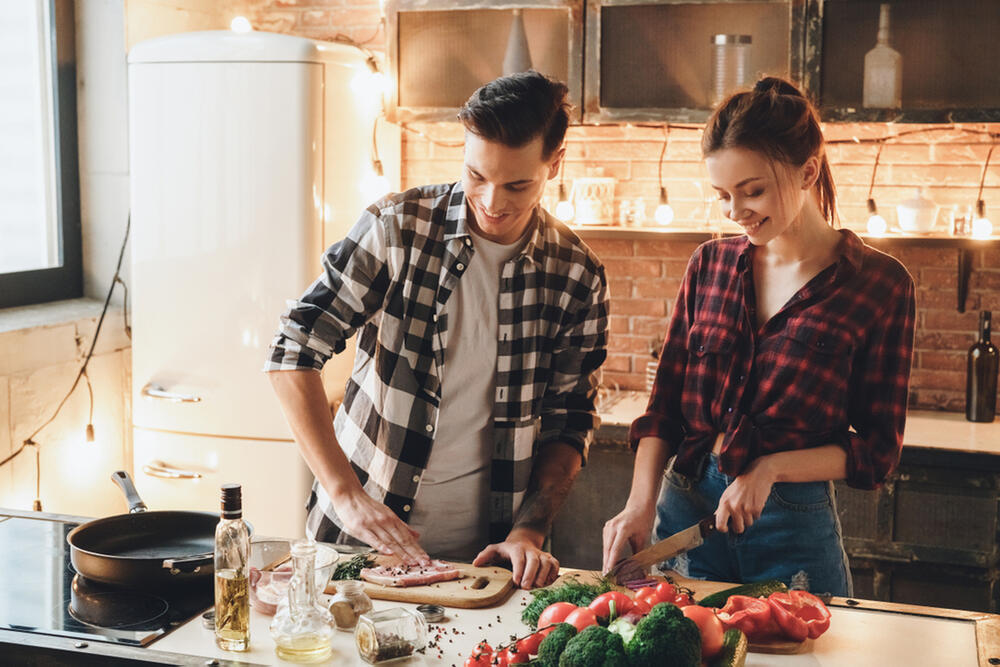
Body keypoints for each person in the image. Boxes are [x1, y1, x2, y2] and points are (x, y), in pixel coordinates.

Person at [265, 71, 609, 590]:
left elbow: (570, 420)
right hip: (359, 542)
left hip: (490, 560)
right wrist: (344, 493)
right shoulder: (398, 229)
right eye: (476, 175)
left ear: (553, 164)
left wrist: (531, 530)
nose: (493, 201)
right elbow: (293, 350)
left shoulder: (576, 274)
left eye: (517, 184)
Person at [601, 76, 915, 596]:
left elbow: (877, 451)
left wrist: (768, 469)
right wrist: (638, 506)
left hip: (791, 521)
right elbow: (664, 411)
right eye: (722, 194)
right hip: (685, 507)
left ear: (808, 170)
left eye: (753, 190)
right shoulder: (709, 264)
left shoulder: (880, 285)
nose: (734, 210)